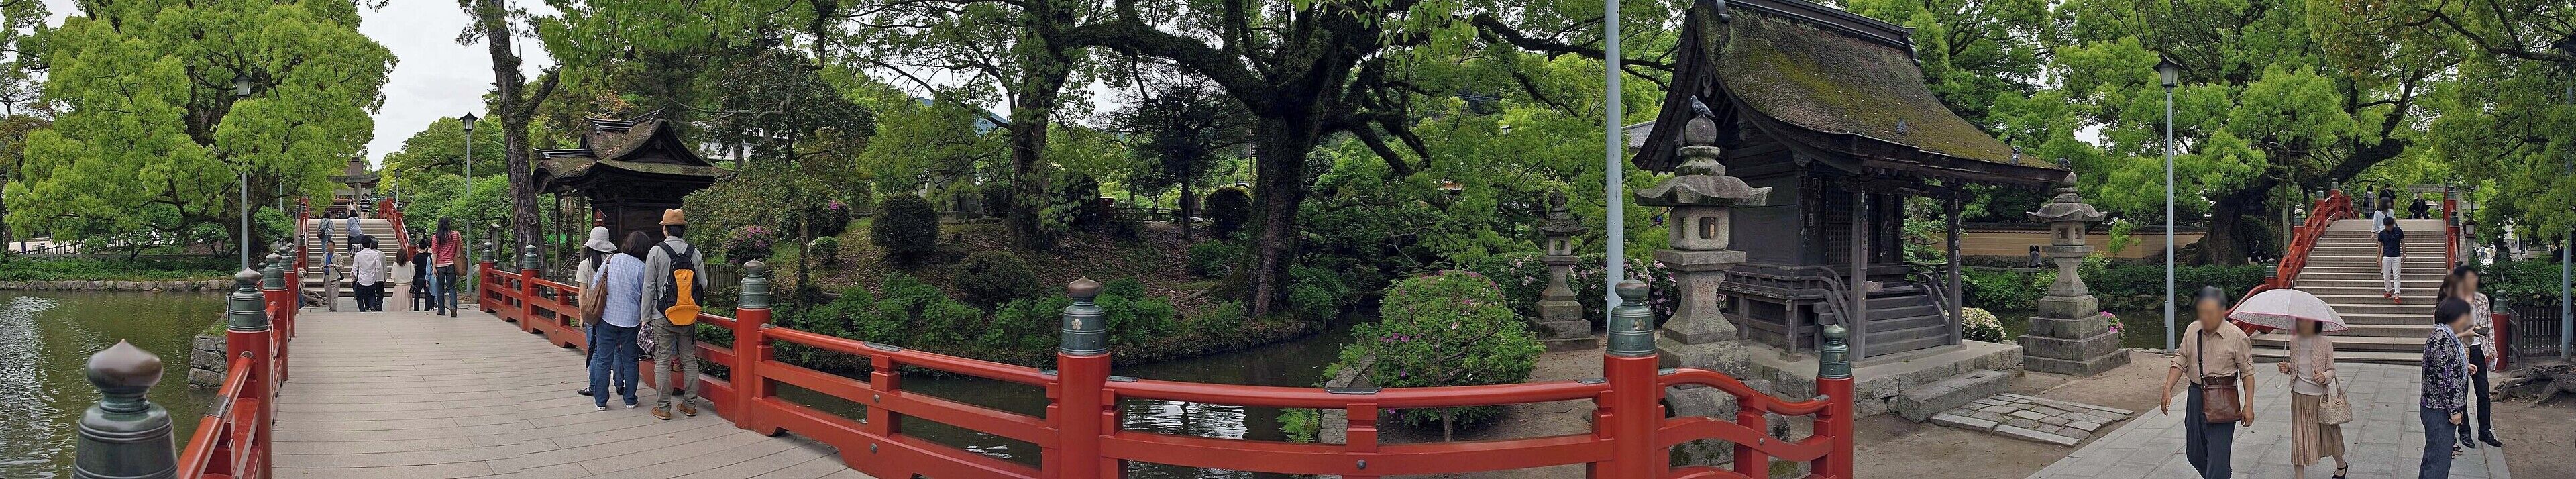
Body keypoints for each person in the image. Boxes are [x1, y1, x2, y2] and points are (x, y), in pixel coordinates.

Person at [2159, 286, 2255, 479]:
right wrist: (2168, 388)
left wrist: (2249, 406)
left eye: (2210, 312)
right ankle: (2220, 475)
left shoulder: (2237, 336)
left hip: (2223, 397)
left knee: (2218, 458)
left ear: (2222, 311)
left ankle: (2219, 474)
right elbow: (2180, 359)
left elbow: (2248, 373)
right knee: (2194, 453)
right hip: (2196, 395)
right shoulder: (2192, 330)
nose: (2206, 317)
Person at [641, 209, 707, 421]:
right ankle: (689, 405)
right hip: (687, 315)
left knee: (662, 360)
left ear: (666, 229)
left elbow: (649, 287)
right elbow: (704, 284)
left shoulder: (657, 251)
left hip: (661, 315)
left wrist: (645, 317)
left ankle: (663, 407)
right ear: (683, 228)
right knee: (688, 358)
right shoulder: (694, 252)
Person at [584, 231, 654, 411]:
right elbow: (646, 296)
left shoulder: (611, 260)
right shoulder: (642, 268)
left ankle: (601, 401)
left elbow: (595, 286)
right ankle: (630, 399)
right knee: (631, 360)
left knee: (603, 360)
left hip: (607, 318)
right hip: (631, 321)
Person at [2438, 264, 2504, 449]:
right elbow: (2448, 330)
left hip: (2478, 349)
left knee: (2483, 392)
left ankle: (2485, 431)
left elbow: (2489, 326)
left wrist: (2492, 349)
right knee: (2462, 393)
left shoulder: (2482, 300)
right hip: (2461, 351)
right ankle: (2464, 433)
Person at [2277, 317, 2349, 478]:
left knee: (2329, 434)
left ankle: (2341, 465)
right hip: (2299, 396)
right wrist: (2287, 368)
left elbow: (2331, 369)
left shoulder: (2325, 344)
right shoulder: (2294, 342)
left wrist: (2324, 376)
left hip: (2320, 399)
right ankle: (2299, 476)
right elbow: (2295, 368)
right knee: (2299, 436)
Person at [2420, 299, 2477, 478]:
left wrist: (2463, 365)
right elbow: (2446, 380)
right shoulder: (2442, 340)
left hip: (2436, 407)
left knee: (2433, 458)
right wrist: (2455, 411)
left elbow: (2444, 366)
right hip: (2439, 409)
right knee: (2438, 463)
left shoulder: (2444, 337)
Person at [572, 226, 619, 398]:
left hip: (593, 313)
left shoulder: (585, 265)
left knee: (595, 350)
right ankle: (620, 383)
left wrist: (582, 316)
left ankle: (594, 386)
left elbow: (582, 294)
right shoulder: (614, 262)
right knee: (615, 349)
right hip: (612, 312)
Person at [432, 218, 462, 317]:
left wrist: (434, 267)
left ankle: (441, 310)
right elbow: (461, 248)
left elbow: (435, 253)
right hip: (451, 265)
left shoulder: (436, 237)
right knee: (452, 288)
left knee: (440, 288)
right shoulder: (456, 235)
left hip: (440, 265)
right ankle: (453, 307)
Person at [352, 235, 385, 312]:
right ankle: (372, 305)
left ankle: (362, 309)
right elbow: (379, 267)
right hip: (371, 278)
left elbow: (354, 267)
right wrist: (374, 272)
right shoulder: (375, 254)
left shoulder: (358, 254)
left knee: (359, 296)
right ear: (370, 244)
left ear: (362, 244)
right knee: (371, 294)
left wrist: (353, 277)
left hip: (361, 279)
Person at [2377, 217, 2404, 302]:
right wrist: (2378, 257)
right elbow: (2379, 246)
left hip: (2396, 256)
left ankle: (2397, 294)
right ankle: (2388, 290)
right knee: (2386, 275)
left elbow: (2403, 243)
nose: (2389, 227)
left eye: (2390, 225)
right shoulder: (2382, 234)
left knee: (2397, 276)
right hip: (2386, 256)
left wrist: (2404, 254)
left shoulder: (2398, 231)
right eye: (2387, 226)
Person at [409, 238, 434, 312]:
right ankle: (427, 308)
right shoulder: (430, 256)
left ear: (419, 246)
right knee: (428, 294)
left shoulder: (416, 257)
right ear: (426, 247)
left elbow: (414, 268)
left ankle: (416, 308)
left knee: (417, 294)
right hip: (427, 277)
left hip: (418, 277)